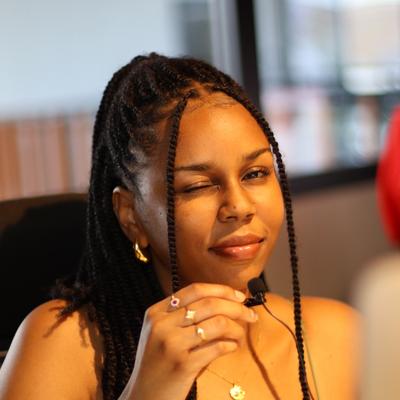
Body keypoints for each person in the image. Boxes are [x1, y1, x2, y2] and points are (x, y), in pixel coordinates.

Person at [0, 53, 359, 400]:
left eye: (255, 173)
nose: (239, 207)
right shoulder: (64, 345)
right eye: (198, 186)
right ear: (131, 215)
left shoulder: (340, 334)